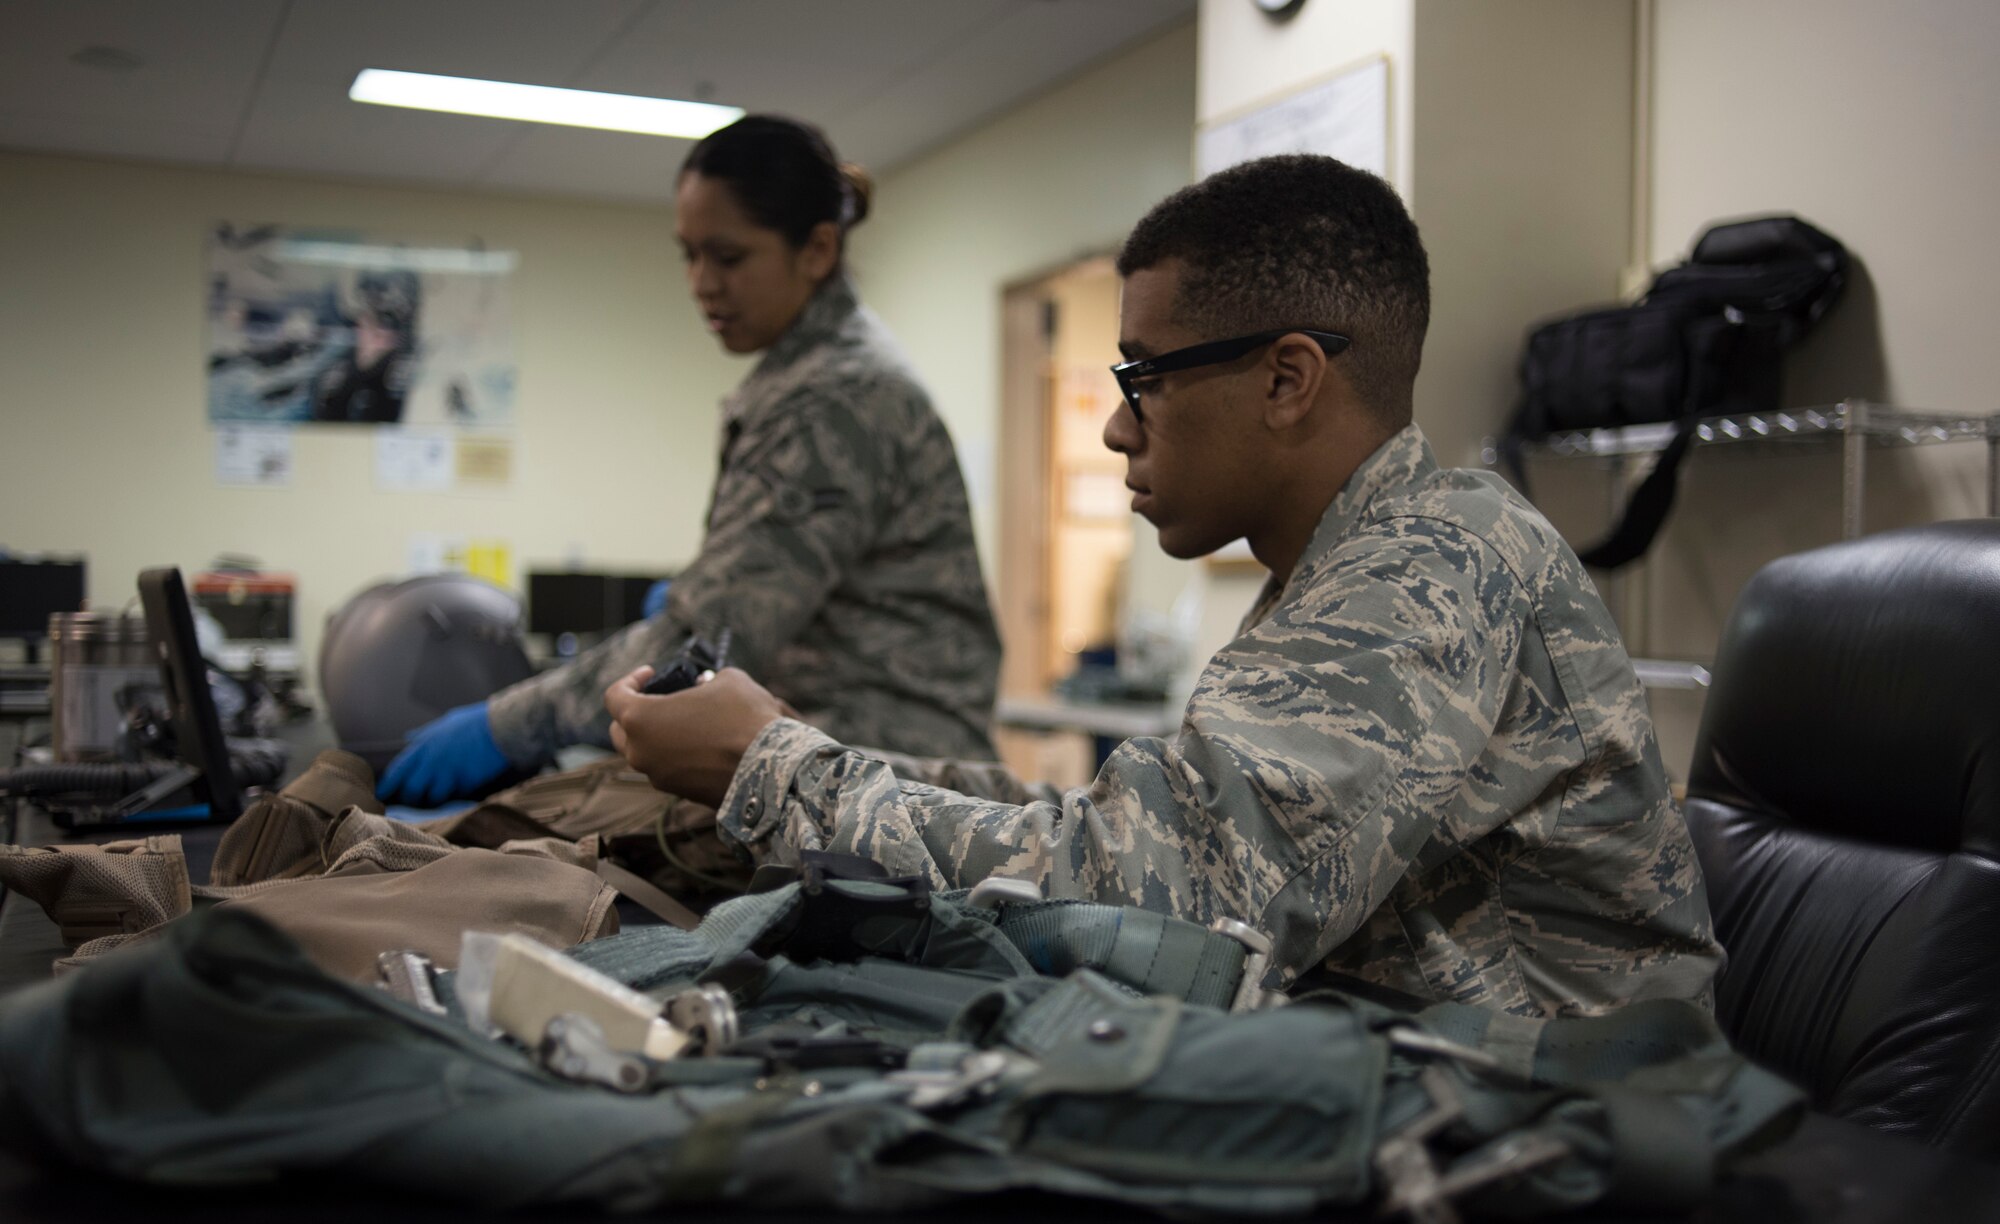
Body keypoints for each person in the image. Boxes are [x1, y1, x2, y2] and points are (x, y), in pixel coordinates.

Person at [602, 154, 1723, 1019]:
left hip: (1560, 1131)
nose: (1114, 426)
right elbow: (1131, 832)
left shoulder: (1434, 559)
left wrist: (777, 773)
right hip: (1424, 1082)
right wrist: (809, 748)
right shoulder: (1344, 565)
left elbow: (1171, 893)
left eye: (1143, 378)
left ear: (1287, 378)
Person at [379, 115, 1002, 805]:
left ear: (818, 249)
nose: (701, 282)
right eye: (689, 254)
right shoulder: (811, 378)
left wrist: (505, 725)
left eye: (728, 257)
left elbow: (704, 642)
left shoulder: (834, 397)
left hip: (893, 782)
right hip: (842, 761)